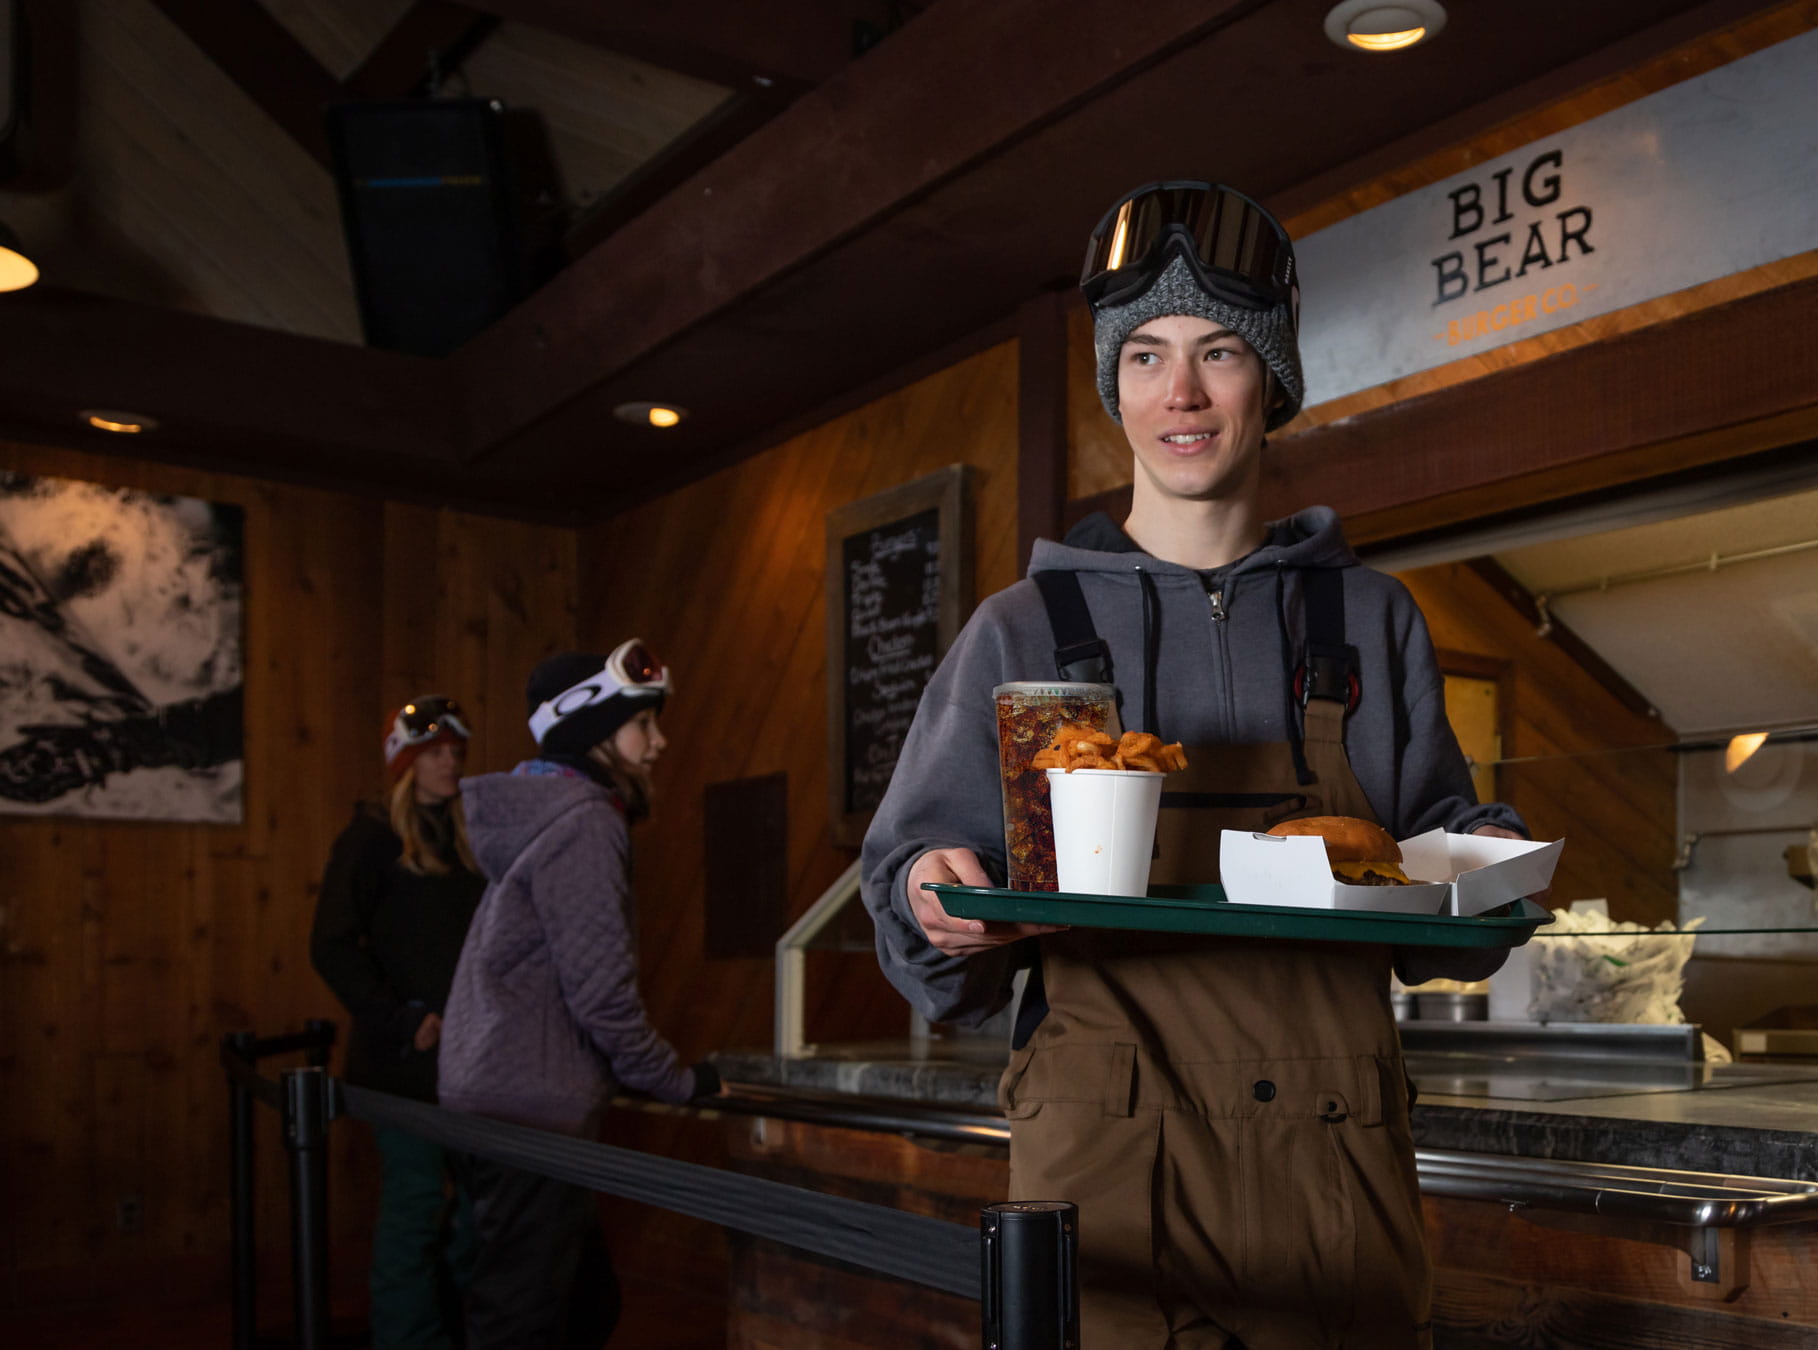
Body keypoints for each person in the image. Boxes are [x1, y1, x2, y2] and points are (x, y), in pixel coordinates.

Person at [862, 182, 1529, 1348]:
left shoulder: (1369, 621)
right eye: (1147, 357)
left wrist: (1494, 866)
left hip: (1337, 1172)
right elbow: (918, 917)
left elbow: (1436, 911)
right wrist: (934, 895)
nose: (1181, 394)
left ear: (1269, 380)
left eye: (1219, 352)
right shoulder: (1021, 631)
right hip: (1104, 1171)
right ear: (1114, 385)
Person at [438, 640, 721, 1350]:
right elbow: (601, 996)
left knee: (582, 1301)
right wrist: (678, 1082)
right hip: (533, 1112)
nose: (658, 742)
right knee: (522, 1324)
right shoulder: (587, 821)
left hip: (491, 1092)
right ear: (590, 730)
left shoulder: (543, 814)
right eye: (642, 725)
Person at [311, 697, 486, 1350]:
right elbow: (330, 943)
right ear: (408, 763)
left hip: (474, 1061)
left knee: (477, 1218)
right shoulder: (370, 840)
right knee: (415, 1211)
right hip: (402, 1065)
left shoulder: (473, 840)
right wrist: (397, 1018)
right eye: (435, 752)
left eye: (455, 753)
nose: (449, 763)